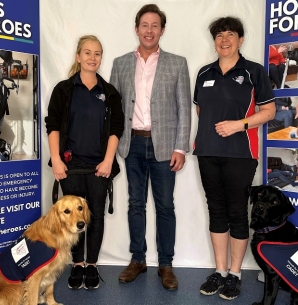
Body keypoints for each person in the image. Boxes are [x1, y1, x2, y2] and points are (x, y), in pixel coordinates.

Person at [109, 3, 191, 291]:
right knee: (135, 204)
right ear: (136, 29)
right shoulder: (120, 63)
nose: (149, 30)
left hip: (165, 146)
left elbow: (184, 107)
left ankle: (166, 264)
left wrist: (181, 147)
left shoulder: (177, 63)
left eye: (155, 25)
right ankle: (138, 259)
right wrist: (113, 146)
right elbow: (114, 110)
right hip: (132, 145)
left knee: (165, 206)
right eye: (144, 25)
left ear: (162, 30)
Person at [193, 16, 275, 300]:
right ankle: (220, 270)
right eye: (219, 35)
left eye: (230, 34)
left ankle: (236, 274)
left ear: (240, 39)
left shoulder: (253, 71)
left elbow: (269, 112)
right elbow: (201, 111)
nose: (224, 40)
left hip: (241, 153)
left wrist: (238, 124)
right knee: (216, 211)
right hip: (206, 152)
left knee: (237, 212)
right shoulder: (204, 72)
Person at [45, 35, 125, 290]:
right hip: (70, 166)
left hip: (99, 167)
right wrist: (56, 160)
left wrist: (108, 161)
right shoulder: (64, 90)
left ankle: (92, 265)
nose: (92, 58)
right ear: (78, 56)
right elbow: (53, 125)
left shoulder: (110, 92)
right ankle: (77, 264)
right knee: (72, 219)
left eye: (97, 53)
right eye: (87, 53)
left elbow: (116, 128)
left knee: (95, 216)